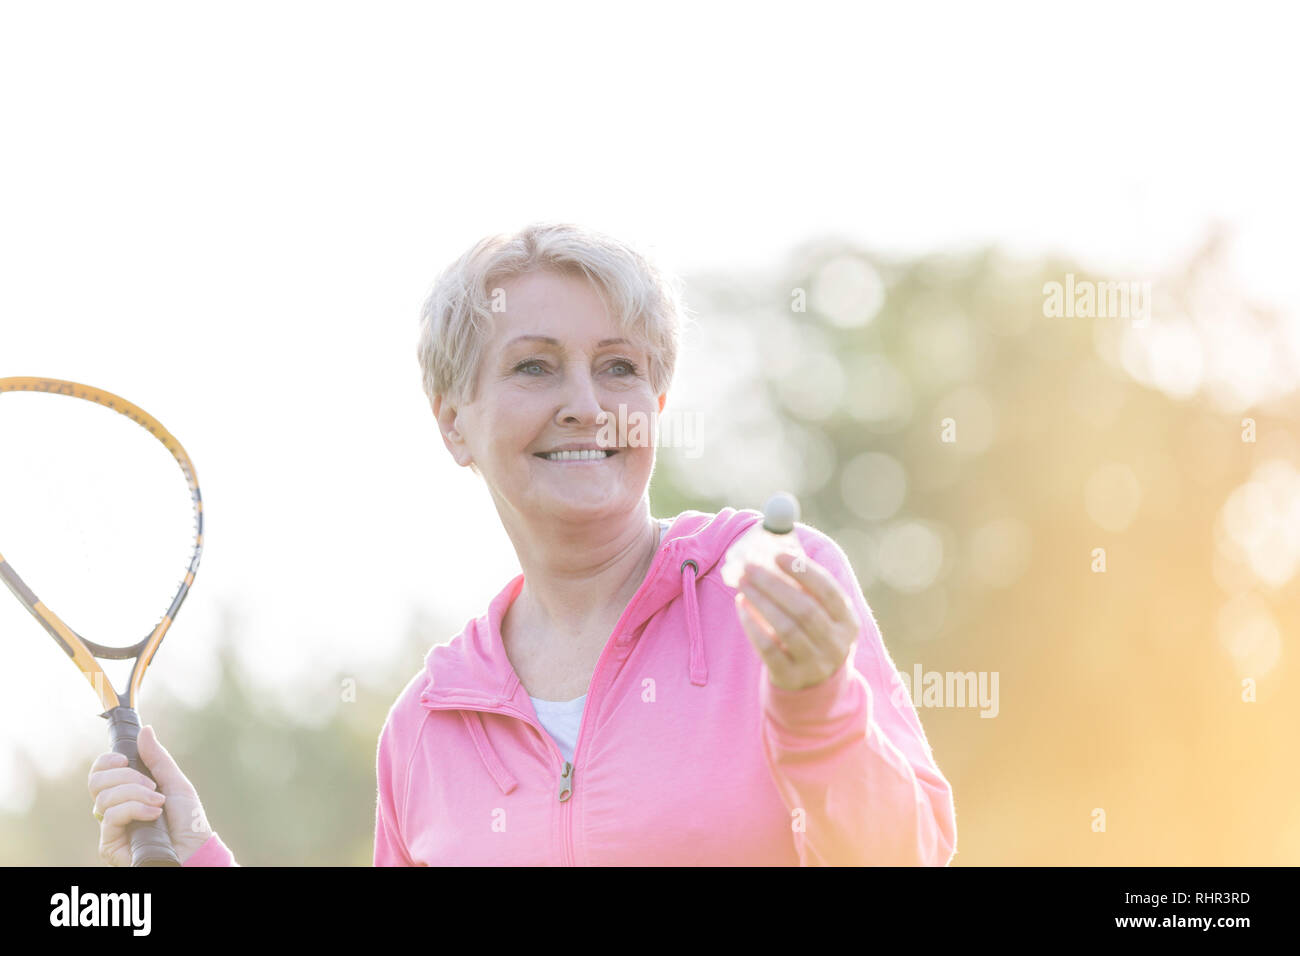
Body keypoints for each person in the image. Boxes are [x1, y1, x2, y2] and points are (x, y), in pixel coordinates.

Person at [87, 222, 958, 866]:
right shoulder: (427, 727)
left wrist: (818, 710)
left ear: (654, 406)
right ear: (454, 424)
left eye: (619, 366)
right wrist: (195, 857)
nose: (585, 401)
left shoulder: (767, 586)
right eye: (535, 366)